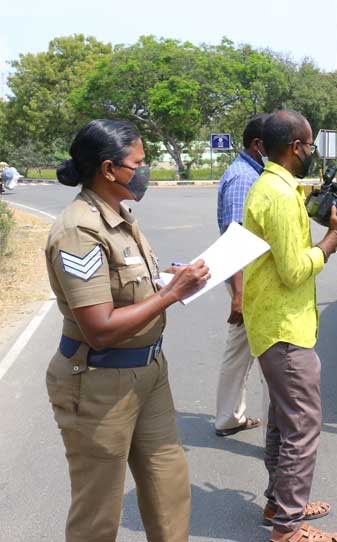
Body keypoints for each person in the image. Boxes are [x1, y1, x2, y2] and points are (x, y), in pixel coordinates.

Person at [45, 119, 209, 541]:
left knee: (168, 490)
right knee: (98, 513)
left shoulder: (119, 214)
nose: (146, 169)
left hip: (149, 372)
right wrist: (172, 294)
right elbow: (98, 328)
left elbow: (129, 284)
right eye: (138, 162)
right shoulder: (78, 231)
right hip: (99, 381)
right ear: (107, 169)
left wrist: (168, 279)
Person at [243, 110, 337, 542]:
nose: (310, 152)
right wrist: (330, 243)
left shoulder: (274, 187)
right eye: (308, 145)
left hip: (275, 322)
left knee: (283, 422)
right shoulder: (280, 196)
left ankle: (279, 502)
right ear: (295, 147)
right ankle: (288, 527)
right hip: (285, 328)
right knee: (302, 427)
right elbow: (291, 271)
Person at [213, 113, 270, 437]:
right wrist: (239, 294)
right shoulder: (244, 179)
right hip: (249, 283)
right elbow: (235, 239)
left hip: (250, 282)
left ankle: (228, 418)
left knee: (240, 351)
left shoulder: (252, 173)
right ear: (258, 144)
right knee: (271, 357)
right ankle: (277, 436)